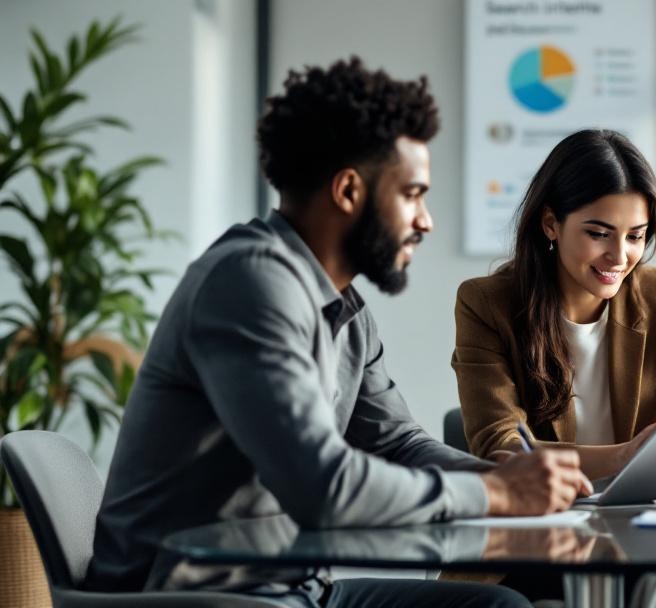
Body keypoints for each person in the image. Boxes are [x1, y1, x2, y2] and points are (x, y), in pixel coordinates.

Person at [84, 58, 588, 608]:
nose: (425, 221)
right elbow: (322, 486)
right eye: (412, 194)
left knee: (501, 606)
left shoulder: (343, 307)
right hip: (195, 597)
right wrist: (492, 493)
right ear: (349, 191)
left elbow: (396, 443)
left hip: (291, 587)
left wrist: (503, 474)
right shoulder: (248, 285)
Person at [450, 129, 656, 607]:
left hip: (650, 534)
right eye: (599, 233)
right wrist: (624, 457)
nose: (619, 256)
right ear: (551, 223)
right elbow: (500, 447)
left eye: (636, 236)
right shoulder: (487, 304)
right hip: (532, 537)